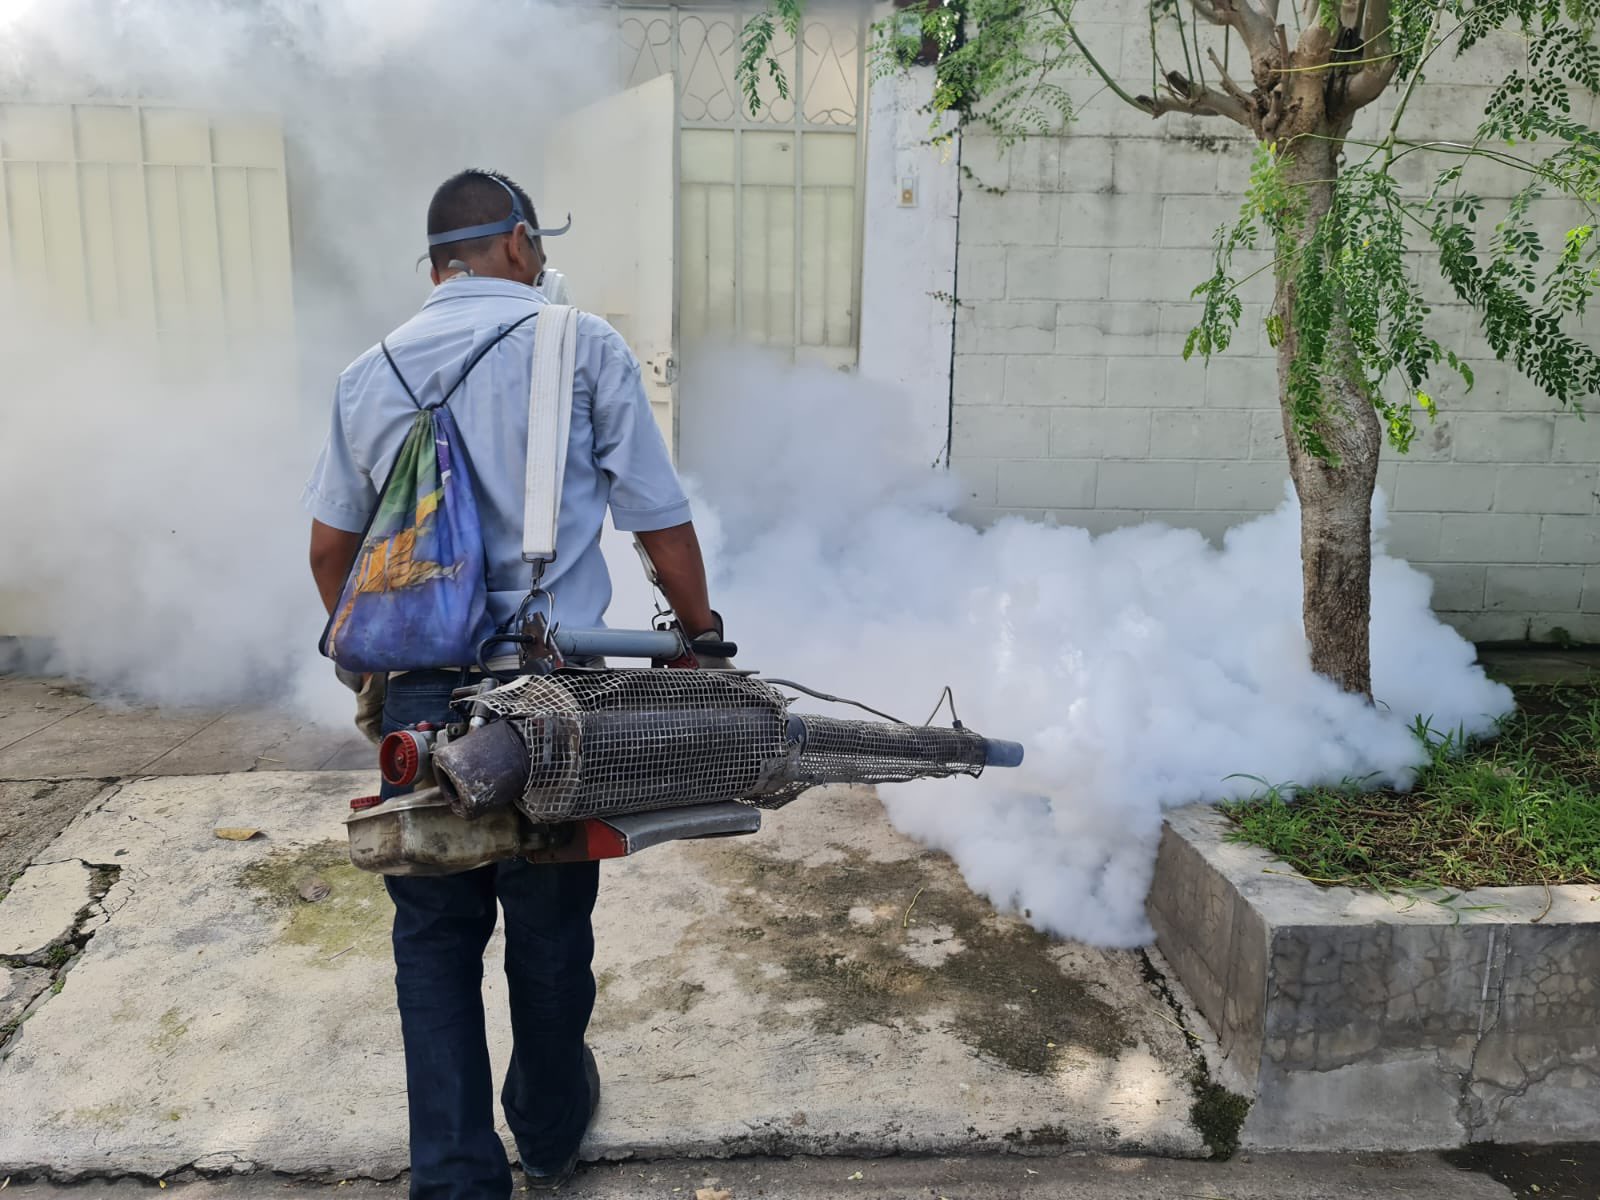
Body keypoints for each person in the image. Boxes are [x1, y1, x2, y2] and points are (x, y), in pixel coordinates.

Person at [302, 168, 724, 1200]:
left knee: (434, 940)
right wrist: (702, 631)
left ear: (439, 263)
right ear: (522, 248)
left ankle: (454, 1177)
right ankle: (546, 1133)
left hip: (421, 695)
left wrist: (376, 662)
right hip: (552, 694)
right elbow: (656, 524)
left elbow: (330, 554)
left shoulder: (370, 373)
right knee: (547, 930)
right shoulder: (582, 345)